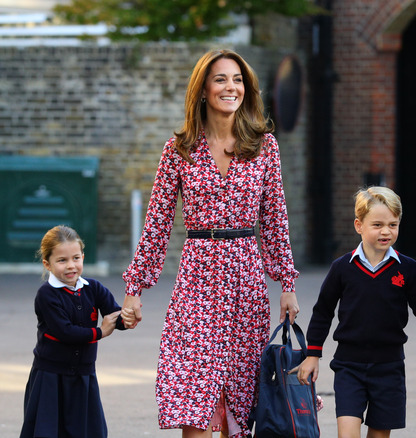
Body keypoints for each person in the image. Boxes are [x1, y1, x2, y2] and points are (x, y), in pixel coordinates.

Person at [119, 49, 300, 438]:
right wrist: (135, 288)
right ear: (203, 88)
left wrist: (287, 284)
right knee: (193, 399)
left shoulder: (264, 147)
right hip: (197, 279)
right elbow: (157, 223)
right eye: (220, 79)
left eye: (237, 80)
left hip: (244, 282)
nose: (230, 87)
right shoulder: (179, 148)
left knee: (239, 398)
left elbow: (275, 221)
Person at [296, 186, 416, 438]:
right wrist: (313, 355)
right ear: (359, 225)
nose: (386, 231)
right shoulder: (341, 268)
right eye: (377, 224)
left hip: (389, 367)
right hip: (349, 366)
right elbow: (323, 311)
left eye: (393, 224)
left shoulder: (408, 269)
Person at [20, 225, 125, 438]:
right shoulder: (46, 295)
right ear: (47, 264)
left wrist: (128, 317)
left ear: (83, 257)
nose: (71, 266)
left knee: (86, 432)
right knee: (48, 432)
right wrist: (100, 333)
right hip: (50, 376)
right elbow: (65, 332)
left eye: (76, 258)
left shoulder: (93, 288)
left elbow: (115, 315)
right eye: (62, 260)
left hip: (84, 375)